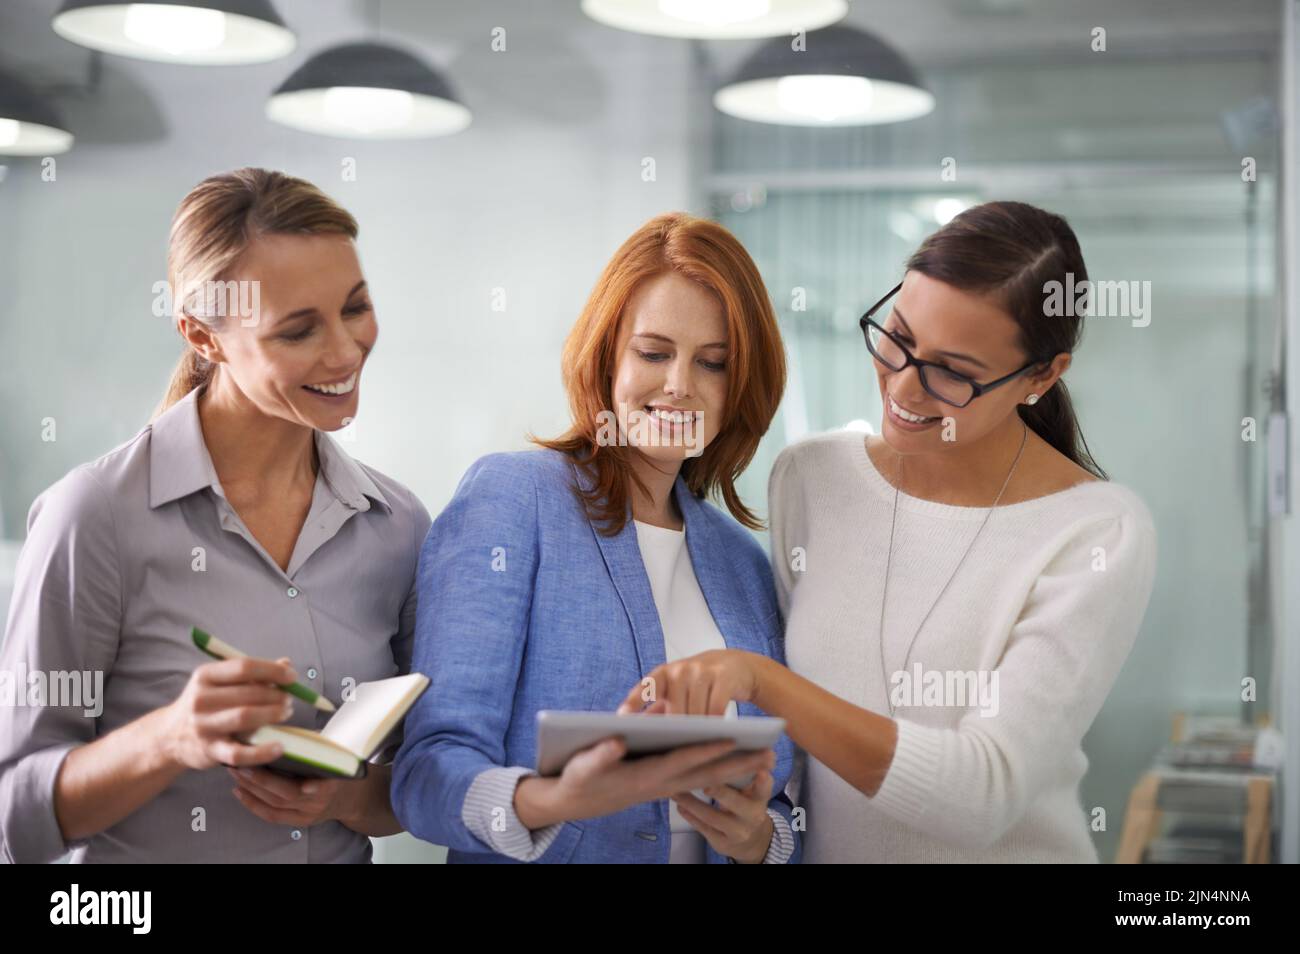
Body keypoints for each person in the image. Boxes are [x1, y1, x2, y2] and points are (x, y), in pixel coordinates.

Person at [619, 201, 1158, 863]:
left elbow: (980, 795)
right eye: (897, 337)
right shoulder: (811, 478)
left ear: (1042, 377)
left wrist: (759, 680)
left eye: (953, 373)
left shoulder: (1096, 530)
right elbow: (796, 767)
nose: (903, 386)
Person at [0, 168, 430, 862]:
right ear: (203, 336)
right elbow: (14, 820)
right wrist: (169, 737)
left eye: (355, 307)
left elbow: (425, 779)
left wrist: (345, 796)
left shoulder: (397, 524)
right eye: (298, 331)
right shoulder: (96, 517)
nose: (346, 351)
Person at [392, 212, 800, 863]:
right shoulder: (515, 499)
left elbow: (781, 805)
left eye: (713, 363)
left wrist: (759, 840)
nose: (679, 386)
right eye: (654, 352)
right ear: (608, 353)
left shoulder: (743, 564)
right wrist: (553, 801)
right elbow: (425, 776)